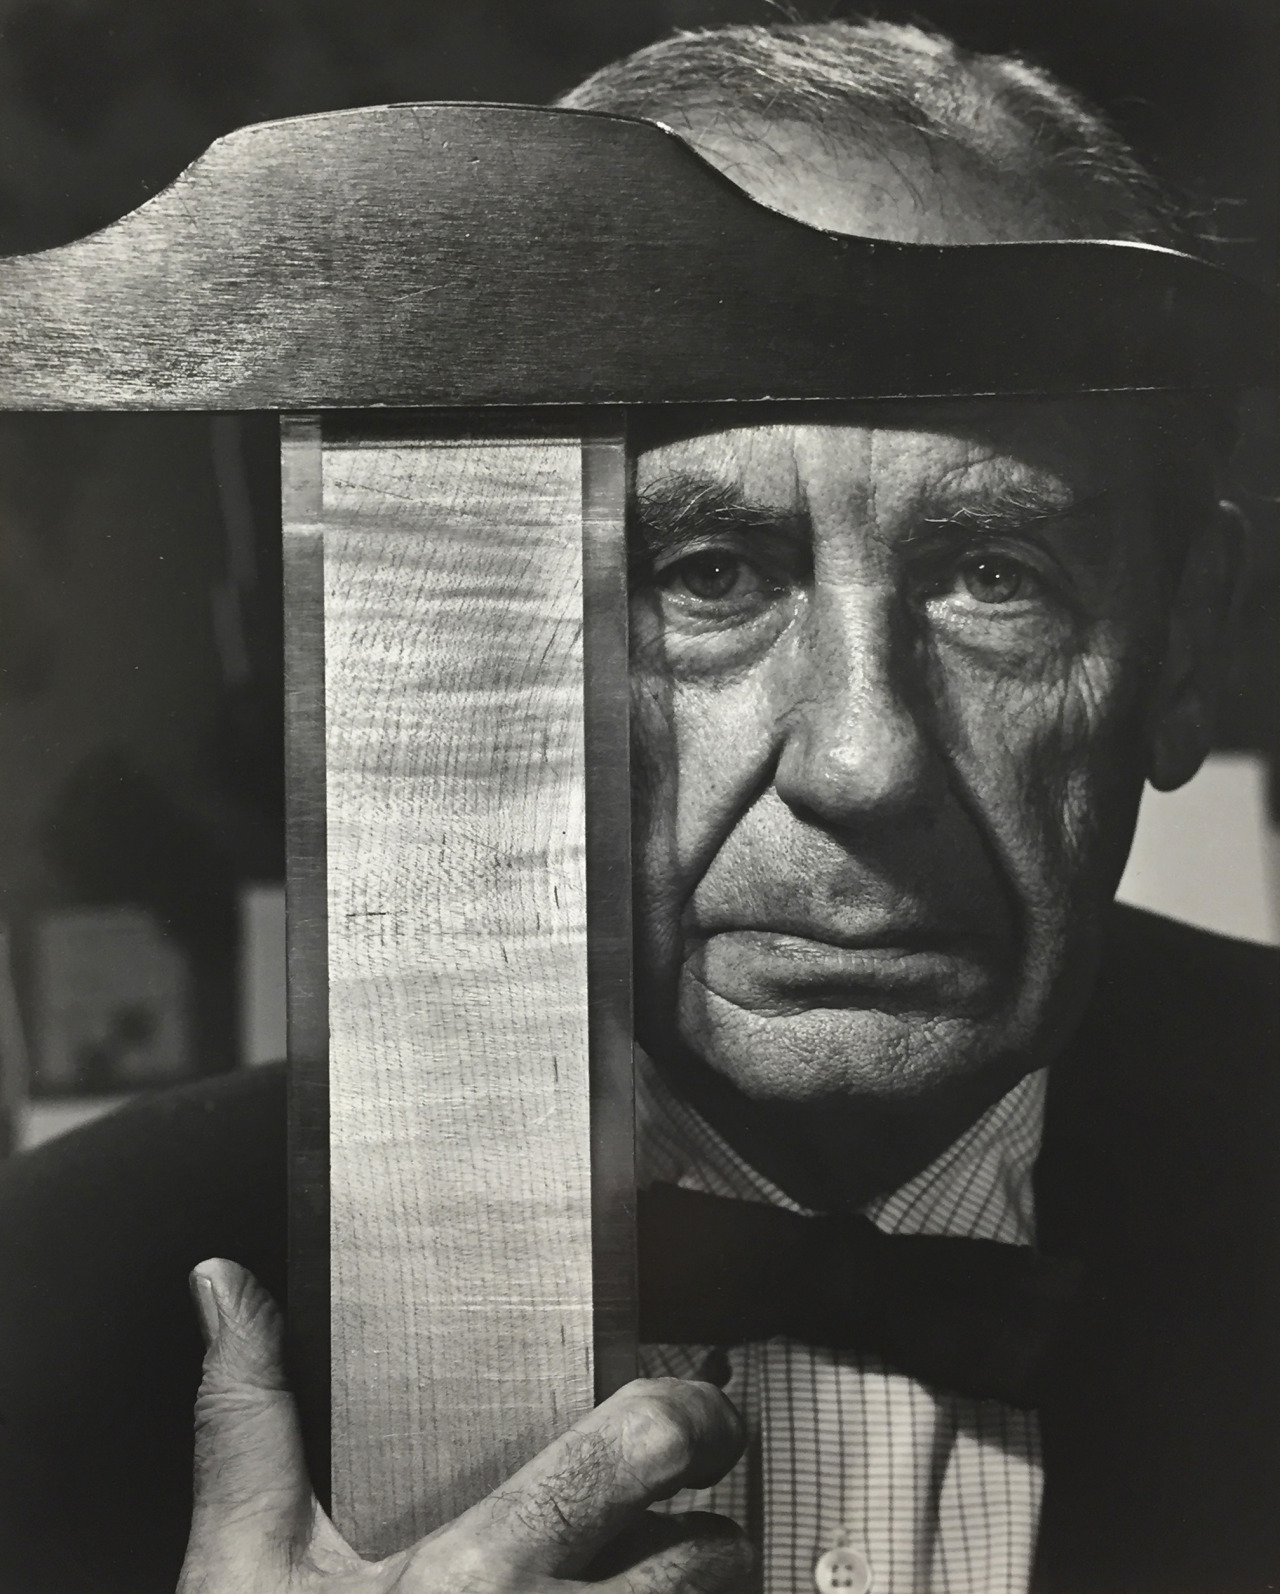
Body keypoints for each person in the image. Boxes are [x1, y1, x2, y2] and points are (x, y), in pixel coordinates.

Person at [0, 20, 1276, 1594]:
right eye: (709, 575)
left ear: (1185, 645)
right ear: (489, 633)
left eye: (993, 576)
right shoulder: (49, 1303)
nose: (861, 762)